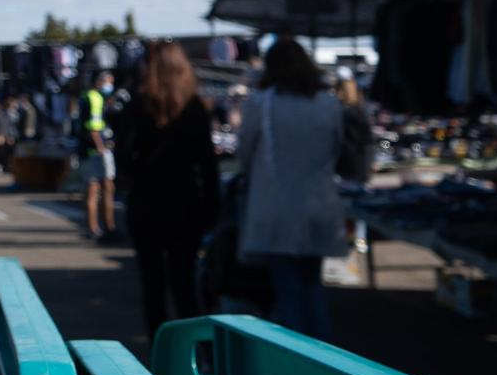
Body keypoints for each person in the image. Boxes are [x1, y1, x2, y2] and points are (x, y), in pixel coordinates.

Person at [237, 38, 347, 339]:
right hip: (320, 205)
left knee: (289, 294)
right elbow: (338, 150)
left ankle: (300, 366)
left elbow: (244, 151)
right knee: (313, 289)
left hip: (280, 208)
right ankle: (323, 359)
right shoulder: (329, 103)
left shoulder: (262, 103)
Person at [115, 42, 220, 339]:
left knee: (152, 284)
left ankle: (160, 350)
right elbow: (207, 163)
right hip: (186, 202)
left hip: (146, 202)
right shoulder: (195, 107)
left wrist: (139, 174)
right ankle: (193, 353)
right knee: (184, 281)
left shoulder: (138, 105)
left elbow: (123, 155)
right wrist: (212, 206)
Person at [80, 72, 118, 241]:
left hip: (89, 150)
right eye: (110, 82)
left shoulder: (88, 96)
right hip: (95, 151)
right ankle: (103, 228)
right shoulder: (95, 98)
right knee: (101, 188)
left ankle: (96, 228)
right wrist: (101, 149)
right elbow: (94, 128)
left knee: (95, 189)